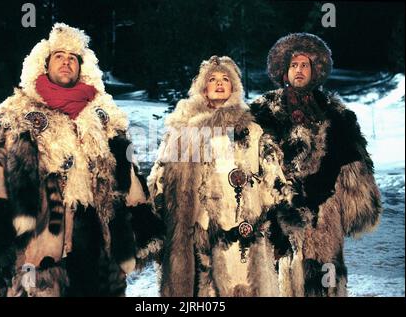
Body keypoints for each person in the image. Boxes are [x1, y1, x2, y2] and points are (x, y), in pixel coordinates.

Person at [0, 23, 163, 297]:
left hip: (96, 240)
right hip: (39, 242)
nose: (66, 63)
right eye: (59, 57)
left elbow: (128, 172)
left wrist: (140, 221)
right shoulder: (16, 111)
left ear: (81, 67)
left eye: (72, 59)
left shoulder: (104, 115)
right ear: (44, 64)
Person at [148, 56, 295, 296]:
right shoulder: (182, 129)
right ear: (203, 87)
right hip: (194, 230)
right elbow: (160, 177)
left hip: (239, 230)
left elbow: (273, 177)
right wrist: (159, 217)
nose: (219, 83)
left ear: (234, 87)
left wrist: (278, 222)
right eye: (212, 79)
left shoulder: (250, 130)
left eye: (225, 79)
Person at [249, 33, 383, 296]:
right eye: (294, 65)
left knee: (321, 282)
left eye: (305, 65)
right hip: (276, 217)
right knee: (276, 282)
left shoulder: (336, 115)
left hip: (323, 215)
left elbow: (355, 164)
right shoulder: (261, 113)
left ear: (316, 70)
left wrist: (351, 202)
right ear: (283, 70)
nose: (299, 71)